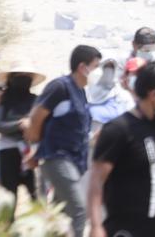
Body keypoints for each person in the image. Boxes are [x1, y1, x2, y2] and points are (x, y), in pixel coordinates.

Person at [88, 62, 155, 237]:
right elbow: (96, 181)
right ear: (154, 94)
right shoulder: (119, 129)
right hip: (125, 231)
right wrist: (95, 226)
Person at [27, 45, 102, 237]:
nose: (98, 72)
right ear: (82, 67)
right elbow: (37, 116)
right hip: (57, 157)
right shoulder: (60, 87)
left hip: (74, 161)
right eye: (96, 66)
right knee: (78, 210)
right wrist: (36, 147)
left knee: (58, 213)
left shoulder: (81, 92)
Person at [0, 61, 45, 216]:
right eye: (21, 76)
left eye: (27, 76)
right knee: (9, 200)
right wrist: (19, 124)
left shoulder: (36, 100)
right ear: (12, 78)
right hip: (7, 152)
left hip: (30, 153)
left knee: (38, 199)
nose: (24, 79)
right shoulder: (2, 99)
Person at [87, 58, 136, 134]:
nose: (108, 71)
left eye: (111, 68)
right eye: (106, 67)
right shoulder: (85, 93)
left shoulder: (122, 95)